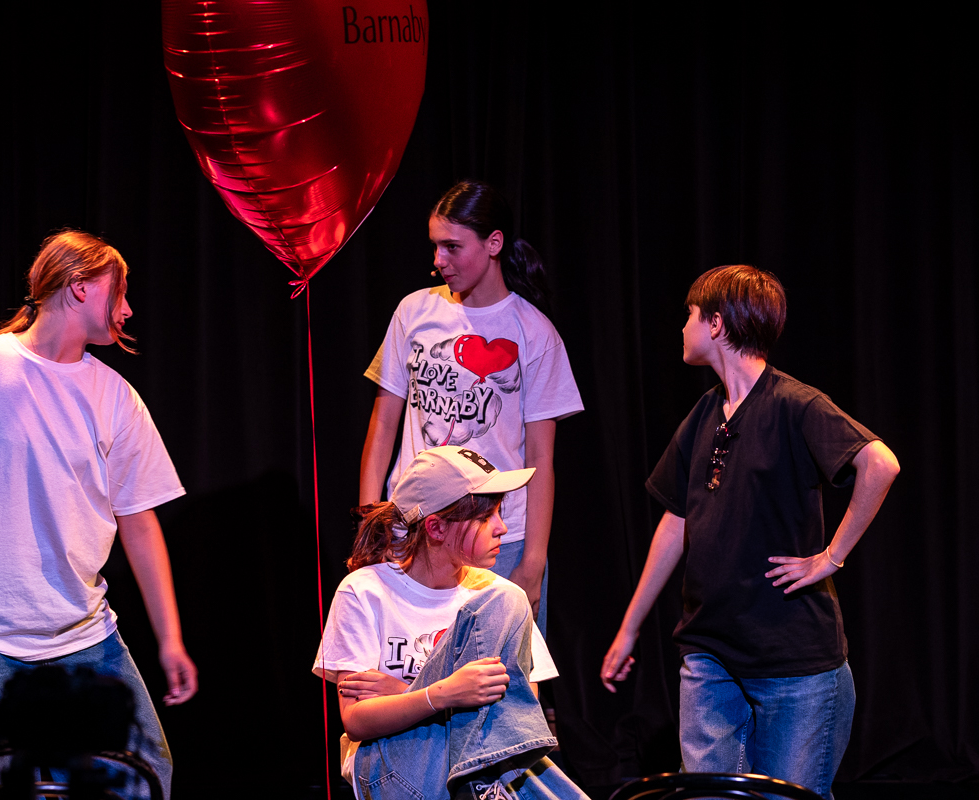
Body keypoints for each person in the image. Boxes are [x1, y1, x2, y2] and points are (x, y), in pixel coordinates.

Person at [0, 230, 197, 798]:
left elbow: (139, 523)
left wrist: (170, 640)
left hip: (82, 633)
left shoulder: (116, 397)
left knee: (144, 773)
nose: (128, 309)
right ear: (79, 286)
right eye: (121, 291)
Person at [600, 265, 900, 797]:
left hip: (792, 659)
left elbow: (881, 463)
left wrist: (831, 557)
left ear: (716, 324)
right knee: (710, 795)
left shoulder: (794, 404)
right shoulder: (705, 412)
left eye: (690, 315)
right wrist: (629, 628)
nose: (683, 327)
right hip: (709, 652)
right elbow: (676, 520)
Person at [360, 181, 583, 634]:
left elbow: (541, 458)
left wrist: (533, 562)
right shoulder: (413, 312)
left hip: (498, 538)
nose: (438, 260)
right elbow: (383, 424)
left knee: (501, 672)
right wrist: (371, 521)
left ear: (493, 243)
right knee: (406, 664)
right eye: (435, 246)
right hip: (412, 529)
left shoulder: (534, 332)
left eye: (452, 247)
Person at [317, 445, 591, 800]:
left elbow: (515, 719)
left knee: (507, 597)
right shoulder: (365, 591)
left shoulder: (498, 601)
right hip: (395, 767)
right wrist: (445, 693)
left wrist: (405, 693)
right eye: (485, 518)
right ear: (436, 527)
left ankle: (479, 785)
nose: (502, 528)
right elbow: (357, 720)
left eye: (499, 513)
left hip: (484, 768)